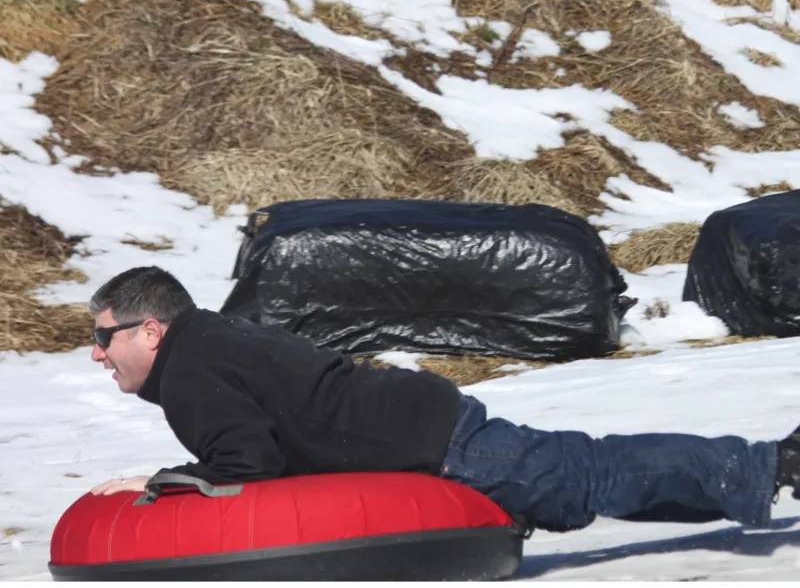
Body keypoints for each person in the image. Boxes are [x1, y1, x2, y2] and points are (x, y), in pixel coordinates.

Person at [89, 266, 800, 533]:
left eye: (105, 335)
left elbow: (247, 461)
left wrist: (160, 484)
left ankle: (771, 466)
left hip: (435, 440)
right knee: (580, 487)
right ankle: (758, 481)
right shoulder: (210, 341)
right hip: (421, 428)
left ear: (151, 329)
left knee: (587, 476)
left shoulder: (188, 369)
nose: (97, 353)